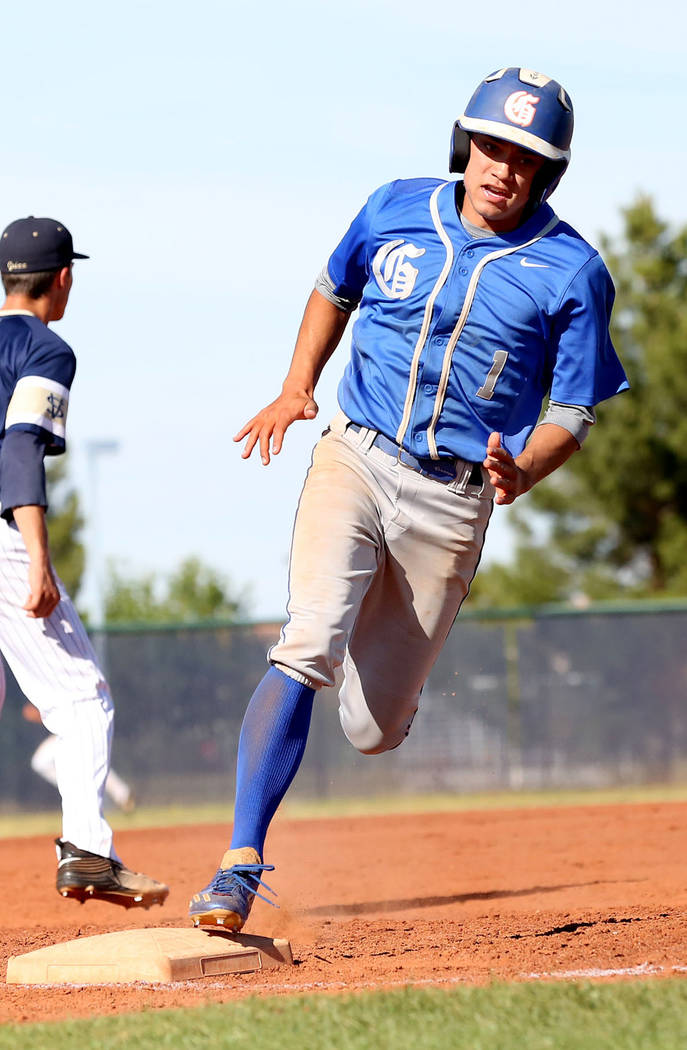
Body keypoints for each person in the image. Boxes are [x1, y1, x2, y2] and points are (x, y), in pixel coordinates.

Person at [189, 68, 629, 930]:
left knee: (371, 729)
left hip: (453, 501)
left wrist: (526, 469)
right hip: (354, 457)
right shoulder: (395, 206)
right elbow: (332, 288)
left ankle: (390, 684)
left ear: (549, 172)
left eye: (525, 157)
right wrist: (293, 386)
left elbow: (574, 409)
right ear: (466, 143)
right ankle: (239, 866)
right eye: (491, 145)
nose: (501, 167)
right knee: (307, 639)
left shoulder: (572, 270)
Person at [0, 217, 167, 908]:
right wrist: (37, 558)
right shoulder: (45, 348)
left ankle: (94, 847)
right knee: (81, 700)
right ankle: (91, 852)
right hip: (3, 539)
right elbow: (17, 451)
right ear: (62, 278)